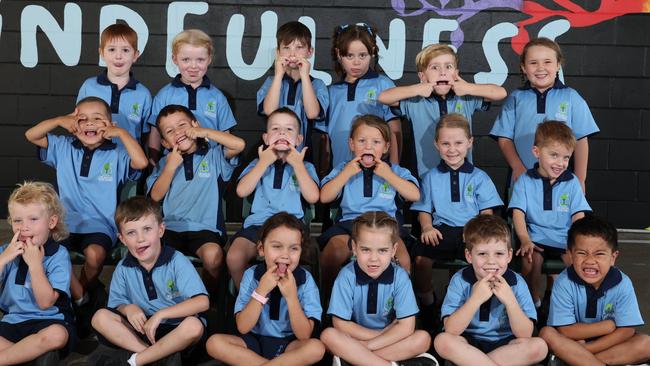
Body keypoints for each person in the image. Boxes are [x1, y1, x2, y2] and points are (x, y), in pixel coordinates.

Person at [25, 97, 148, 310]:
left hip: (100, 224)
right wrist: (59, 120)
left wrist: (122, 134)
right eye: (82, 119)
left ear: (111, 125)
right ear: (73, 122)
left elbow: (142, 162)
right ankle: (78, 296)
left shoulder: (116, 153)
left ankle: (79, 293)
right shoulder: (63, 147)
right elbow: (31, 135)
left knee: (94, 255)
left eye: (98, 119)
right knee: (49, 253)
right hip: (63, 223)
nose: (89, 123)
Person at [410, 113, 503, 329]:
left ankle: (477, 309)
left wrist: (477, 235)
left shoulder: (479, 177)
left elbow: (487, 214)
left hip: (471, 233)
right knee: (421, 259)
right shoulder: (431, 177)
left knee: (483, 262)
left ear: (469, 143)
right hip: (441, 231)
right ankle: (429, 307)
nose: (452, 149)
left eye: (458, 143)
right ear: (436, 145)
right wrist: (427, 227)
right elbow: (423, 208)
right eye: (446, 143)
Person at [91, 196, 209, 366]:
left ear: (161, 230)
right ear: (122, 239)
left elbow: (202, 302)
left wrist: (161, 315)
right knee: (100, 317)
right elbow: (117, 305)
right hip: (142, 331)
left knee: (193, 326)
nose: (140, 239)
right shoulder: (123, 267)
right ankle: (152, 355)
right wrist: (128, 308)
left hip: (175, 329)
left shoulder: (177, 260)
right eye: (131, 233)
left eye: (147, 229)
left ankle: (137, 361)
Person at [146, 104, 245, 294]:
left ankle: (208, 299)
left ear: (195, 125)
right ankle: (171, 301)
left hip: (205, 229)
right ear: (165, 143)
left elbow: (239, 145)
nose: (178, 132)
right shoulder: (164, 164)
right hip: (170, 229)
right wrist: (170, 167)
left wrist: (203, 132)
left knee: (214, 256)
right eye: (170, 131)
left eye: (182, 125)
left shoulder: (213, 156)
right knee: (156, 259)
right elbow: (155, 196)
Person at [319, 114, 420, 296]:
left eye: (376, 142)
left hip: (387, 227)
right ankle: (329, 307)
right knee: (331, 254)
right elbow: (324, 196)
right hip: (350, 226)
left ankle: (400, 312)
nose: (368, 147)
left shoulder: (395, 171)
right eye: (362, 141)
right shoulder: (344, 168)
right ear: (351, 144)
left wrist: (389, 175)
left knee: (403, 260)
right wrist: (346, 174)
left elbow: (414, 194)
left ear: (386, 147)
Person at [207, 212, 325, 366]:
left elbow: (304, 335)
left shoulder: (306, 280)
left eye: (294, 249)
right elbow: (243, 327)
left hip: (289, 345)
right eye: (276, 247)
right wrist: (261, 291)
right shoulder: (251, 275)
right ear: (262, 249)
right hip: (253, 341)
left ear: (301, 251)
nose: (285, 255)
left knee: (316, 348)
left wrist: (291, 297)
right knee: (214, 343)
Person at [320, 211, 436, 366]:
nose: (373, 258)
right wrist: (379, 335)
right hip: (356, 338)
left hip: (388, 340)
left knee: (423, 339)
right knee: (328, 336)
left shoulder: (400, 277)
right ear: (354, 247)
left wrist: (368, 346)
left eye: (382, 250)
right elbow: (341, 324)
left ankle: (357, 360)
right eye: (366, 250)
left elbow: (406, 327)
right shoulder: (346, 276)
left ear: (393, 250)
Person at [434, 215, 548, 366]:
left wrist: (510, 301)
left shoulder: (517, 283)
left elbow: (525, 334)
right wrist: (475, 299)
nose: (491, 261)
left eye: (499, 254)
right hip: (468, 345)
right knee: (442, 341)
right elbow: (451, 330)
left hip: (507, 346)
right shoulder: (460, 280)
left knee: (540, 347)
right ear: (469, 256)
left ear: (509, 255)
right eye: (482, 254)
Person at [378, 43, 506, 178]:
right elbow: (383, 97)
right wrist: (417, 89)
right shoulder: (415, 101)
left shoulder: (465, 98)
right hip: (425, 176)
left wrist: (468, 87)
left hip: (463, 178)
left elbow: (500, 93)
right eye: (434, 67)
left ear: (456, 73)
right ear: (422, 76)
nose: (442, 72)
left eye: (448, 66)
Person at [490, 37, 599, 193]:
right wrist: (517, 167)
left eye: (547, 62)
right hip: (523, 179)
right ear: (523, 68)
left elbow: (581, 140)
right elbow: (504, 138)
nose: (540, 68)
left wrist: (580, 179)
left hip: (562, 183)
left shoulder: (571, 97)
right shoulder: (516, 98)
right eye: (533, 63)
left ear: (558, 66)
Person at [228, 108, 319, 290]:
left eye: (289, 130)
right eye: (275, 129)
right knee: (234, 256)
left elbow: (313, 196)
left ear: (299, 140)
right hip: (258, 225)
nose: (282, 133)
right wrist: (263, 163)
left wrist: (297, 165)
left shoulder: (305, 166)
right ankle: (246, 302)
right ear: (266, 138)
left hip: (292, 227)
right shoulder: (258, 164)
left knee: (306, 256)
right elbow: (241, 191)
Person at [540, 215, 650, 366]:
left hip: (600, 346)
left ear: (613, 257)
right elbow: (565, 330)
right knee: (547, 333)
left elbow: (626, 331)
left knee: (646, 343)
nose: (590, 260)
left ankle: (575, 362)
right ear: (570, 254)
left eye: (599, 254)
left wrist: (586, 350)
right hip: (573, 342)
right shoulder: (563, 282)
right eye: (582, 253)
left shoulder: (623, 283)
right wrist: (607, 326)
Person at [510, 121, 591, 309]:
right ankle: (533, 302)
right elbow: (518, 213)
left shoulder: (571, 182)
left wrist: (576, 241)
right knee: (530, 263)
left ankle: (567, 303)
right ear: (537, 152)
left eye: (566, 157)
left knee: (578, 264)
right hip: (536, 238)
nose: (560, 163)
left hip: (564, 238)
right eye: (554, 155)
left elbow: (579, 215)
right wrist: (524, 239)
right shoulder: (525, 181)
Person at [0, 182, 74, 365]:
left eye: (33, 219)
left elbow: (45, 303)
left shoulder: (59, 255)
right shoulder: (5, 252)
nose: (24, 227)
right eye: (18, 220)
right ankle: (29, 357)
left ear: (51, 222)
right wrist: (2, 260)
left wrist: (35, 265)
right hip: (13, 322)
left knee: (57, 335)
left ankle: (9, 358)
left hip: (48, 321)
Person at [316, 23, 401, 168]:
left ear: (372, 52)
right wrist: (325, 172)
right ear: (338, 54)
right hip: (340, 172)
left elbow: (395, 130)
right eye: (350, 55)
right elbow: (325, 138)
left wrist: (394, 168)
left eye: (362, 55)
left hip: (376, 171)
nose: (356, 62)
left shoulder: (383, 85)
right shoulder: (331, 92)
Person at [147, 29, 237, 165]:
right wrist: (154, 160)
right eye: (186, 60)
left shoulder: (217, 97)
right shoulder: (164, 95)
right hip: (175, 165)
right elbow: (155, 132)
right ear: (174, 59)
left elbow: (226, 133)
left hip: (209, 165)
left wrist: (222, 163)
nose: (193, 66)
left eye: (200, 59)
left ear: (209, 60)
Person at [257, 20, 329, 155]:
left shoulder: (317, 85)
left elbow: (312, 113)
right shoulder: (271, 82)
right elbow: (268, 110)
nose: (292, 54)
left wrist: (305, 76)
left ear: (310, 51)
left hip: (303, 155)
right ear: (278, 52)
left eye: (299, 47)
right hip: (273, 154)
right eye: (286, 48)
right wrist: (279, 75)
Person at [77, 23, 152, 147]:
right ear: (101, 53)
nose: (118, 56)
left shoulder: (143, 94)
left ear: (135, 55)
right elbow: (78, 124)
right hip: (95, 159)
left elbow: (145, 136)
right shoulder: (89, 87)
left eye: (125, 50)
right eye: (112, 49)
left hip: (129, 161)